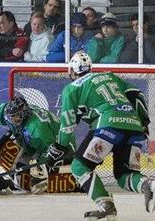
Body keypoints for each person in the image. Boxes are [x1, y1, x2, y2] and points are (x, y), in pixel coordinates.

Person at [57, 51, 155, 219]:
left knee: (79, 167)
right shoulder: (110, 77)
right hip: (134, 129)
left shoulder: (71, 88)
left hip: (107, 128)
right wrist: (144, 124)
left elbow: (67, 127)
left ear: (72, 71)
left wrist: (58, 148)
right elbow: (137, 96)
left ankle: (106, 205)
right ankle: (150, 184)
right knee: (124, 175)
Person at [0, 96, 75, 193]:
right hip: (40, 144)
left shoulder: (37, 129)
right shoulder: (15, 112)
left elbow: (51, 152)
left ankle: (54, 177)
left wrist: (39, 170)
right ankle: (18, 177)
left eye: (15, 116)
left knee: (39, 178)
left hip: (63, 150)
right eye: (11, 116)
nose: (12, 119)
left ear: (24, 113)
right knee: (9, 147)